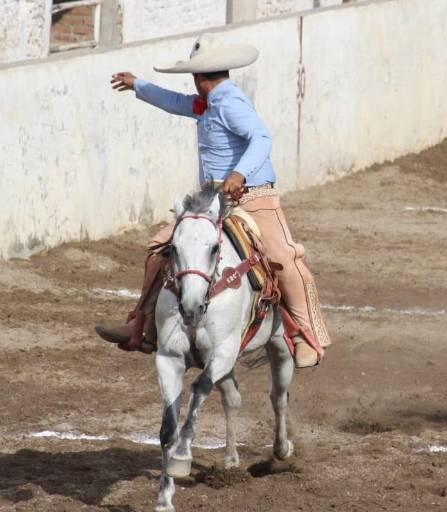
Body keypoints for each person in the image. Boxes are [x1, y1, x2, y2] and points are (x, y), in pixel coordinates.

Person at [94, 33, 331, 368]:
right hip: (213, 200)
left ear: (199, 77)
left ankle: (308, 336)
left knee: (282, 256)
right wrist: (138, 85)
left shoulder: (230, 103)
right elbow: (175, 101)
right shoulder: (207, 103)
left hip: (253, 197)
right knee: (161, 246)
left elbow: (261, 137)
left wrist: (239, 174)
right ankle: (142, 324)